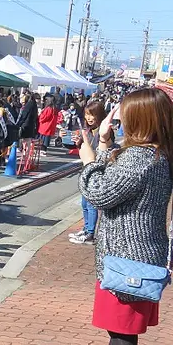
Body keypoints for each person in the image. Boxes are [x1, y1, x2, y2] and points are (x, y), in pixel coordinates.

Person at [74, 88, 173, 345]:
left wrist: (90, 160)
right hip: (133, 257)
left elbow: (101, 192)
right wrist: (106, 145)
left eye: (124, 113)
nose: (118, 116)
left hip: (127, 260)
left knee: (123, 333)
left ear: (140, 118)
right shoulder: (157, 154)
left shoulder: (141, 158)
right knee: (118, 331)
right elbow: (115, 179)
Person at [69, 100, 106, 245]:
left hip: (95, 172)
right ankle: (86, 229)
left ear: (99, 115)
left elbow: (101, 151)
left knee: (91, 204)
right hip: (87, 170)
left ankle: (90, 233)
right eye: (87, 115)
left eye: (92, 115)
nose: (89, 118)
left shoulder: (103, 132)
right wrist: (79, 143)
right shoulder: (89, 131)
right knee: (84, 203)